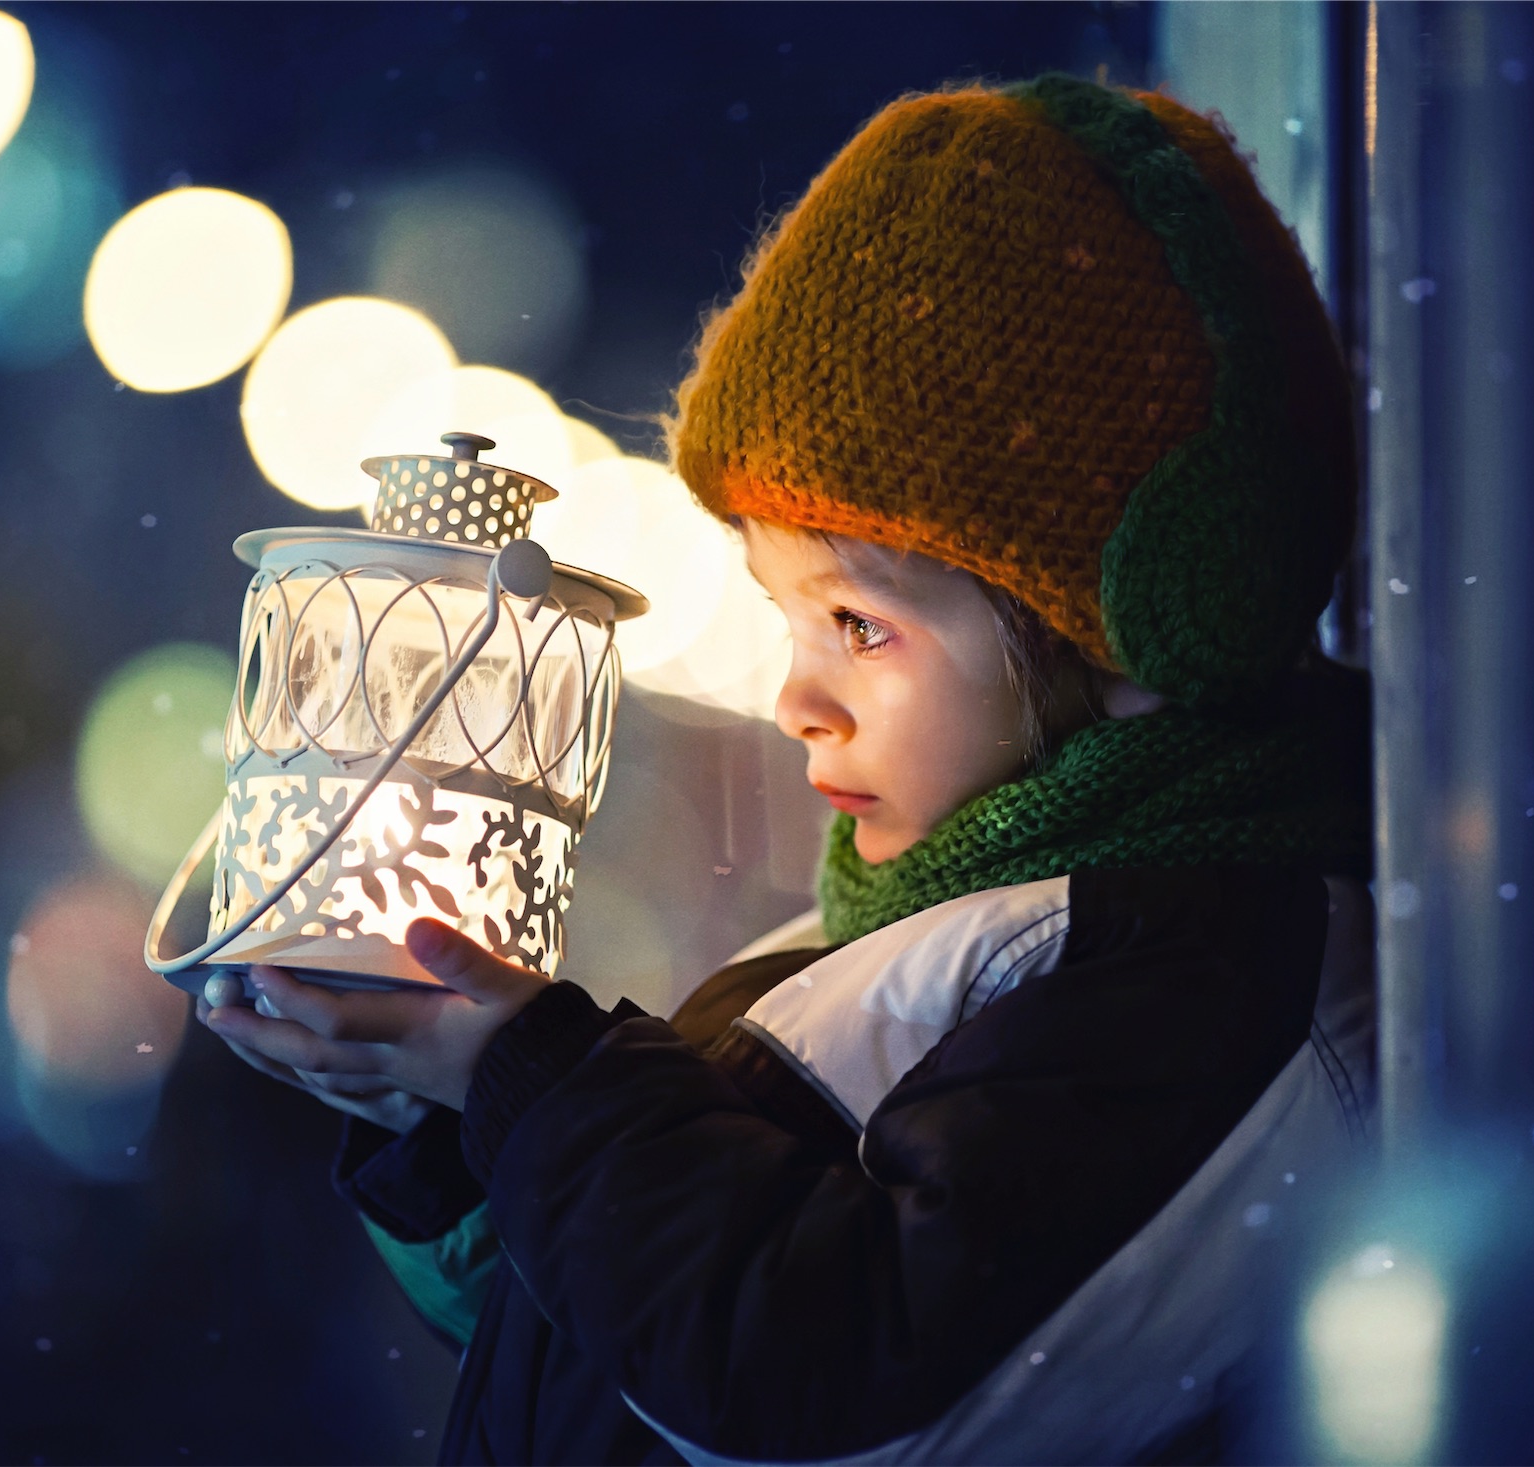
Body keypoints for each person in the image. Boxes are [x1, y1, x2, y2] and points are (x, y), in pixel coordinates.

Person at [198, 74, 1375, 1465]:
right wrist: (454, 1120)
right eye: (786, 618)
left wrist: (543, 1090)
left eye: (860, 625)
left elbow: (833, 1389)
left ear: (1125, 628)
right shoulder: (897, 930)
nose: (795, 701)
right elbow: (607, 1351)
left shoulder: (1202, 975)